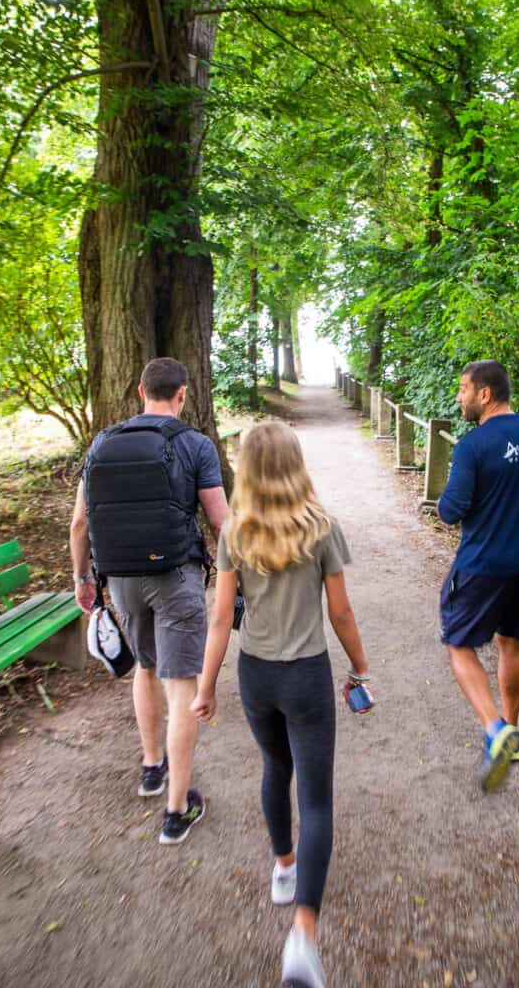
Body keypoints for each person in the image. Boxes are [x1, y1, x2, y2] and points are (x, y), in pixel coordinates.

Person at [191, 421, 370, 988]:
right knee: (316, 800)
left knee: (275, 767)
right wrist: (361, 666)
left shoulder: (234, 534)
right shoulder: (320, 528)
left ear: (245, 468)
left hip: (257, 676)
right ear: (296, 465)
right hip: (308, 677)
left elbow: (221, 618)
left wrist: (205, 685)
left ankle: (284, 867)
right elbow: (340, 613)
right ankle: (303, 936)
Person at [70, 357, 228, 843]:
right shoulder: (195, 444)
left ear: (141, 392)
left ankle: (151, 767)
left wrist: (82, 579)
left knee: (145, 666)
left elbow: (79, 523)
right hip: (176, 576)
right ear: (182, 394)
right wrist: (237, 578)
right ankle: (176, 812)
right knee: (183, 686)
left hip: (120, 578)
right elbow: (222, 522)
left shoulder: (101, 443)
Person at [437, 360, 519, 792]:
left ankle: (496, 730)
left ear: (485, 394)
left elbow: (451, 511)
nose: (459, 397)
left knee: (458, 643)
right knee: (511, 641)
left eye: (463, 389)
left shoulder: (474, 446)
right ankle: (512, 730)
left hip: (483, 565)